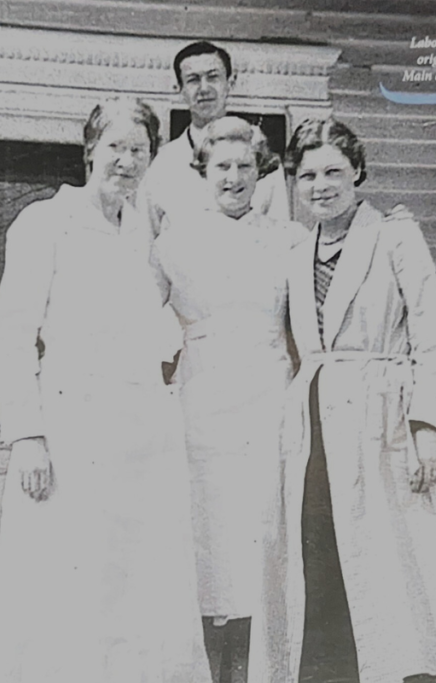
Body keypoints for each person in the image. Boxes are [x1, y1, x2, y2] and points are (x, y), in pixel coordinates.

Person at [0, 99, 211, 683]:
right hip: (70, 424)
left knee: (136, 584)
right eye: (115, 147)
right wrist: (27, 436)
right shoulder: (44, 222)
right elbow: (10, 337)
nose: (127, 161)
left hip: (142, 431)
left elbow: (173, 319)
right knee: (68, 579)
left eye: (139, 150)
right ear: (90, 151)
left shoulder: (147, 232)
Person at [252, 118, 436, 683]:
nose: (320, 185)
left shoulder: (396, 236)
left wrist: (428, 425)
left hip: (385, 417)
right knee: (322, 556)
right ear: (292, 183)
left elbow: (432, 334)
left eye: (333, 171)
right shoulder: (296, 253)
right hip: (314, 424)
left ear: (358, 172)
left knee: (392, 560)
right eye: (306, 175)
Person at [150, 117, 307, 683]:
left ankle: (257, 663)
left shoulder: (289, 239)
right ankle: (210, 666)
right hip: (202, 394)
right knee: (208, 530)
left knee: (262, 527)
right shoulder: (174, 241)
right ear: (203, 171)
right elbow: (139, 319)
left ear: (261, 172)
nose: (234, 177)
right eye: (222, 166)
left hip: (269, 392)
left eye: (245, 166)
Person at [139, 41, 290, 239]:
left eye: (213, 77)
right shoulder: (162, 164)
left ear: (230, 82)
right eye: (193, 80)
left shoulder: (260, 155)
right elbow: (146, 239)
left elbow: (281, 237)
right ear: (179, 88)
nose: (204, 88)